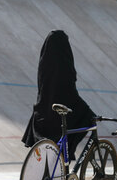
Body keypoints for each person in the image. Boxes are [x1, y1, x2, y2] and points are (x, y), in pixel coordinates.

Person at [22, 30, 96, 161]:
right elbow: (70, 87)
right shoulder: (64, 63)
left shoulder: (44, 64)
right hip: (63, 108)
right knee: (89, 117)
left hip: (43, 112)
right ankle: (68, 155)